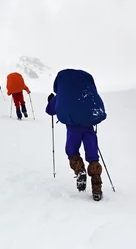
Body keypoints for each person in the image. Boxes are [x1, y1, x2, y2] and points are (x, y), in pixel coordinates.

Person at [45, 68, 107, 201]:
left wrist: (51, 100)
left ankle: (79, 171)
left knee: (72, 151)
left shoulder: (63, 95)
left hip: (73, 129)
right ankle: (97, 189)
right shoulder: (87, 94)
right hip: (89, 128)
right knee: (93, 157)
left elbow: (50, 110)